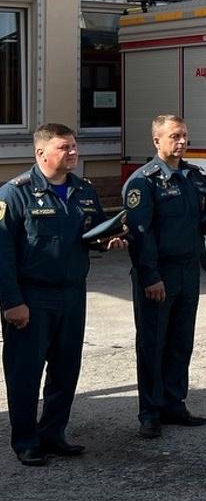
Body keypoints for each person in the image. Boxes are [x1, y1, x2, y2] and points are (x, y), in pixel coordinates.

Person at [0, 124, 123, 466]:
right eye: (64, 147)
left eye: (74, 146)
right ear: (40, 153)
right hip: (32, 297)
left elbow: (95, 231)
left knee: (66, 369)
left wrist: (109, 240)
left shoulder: (84, 190)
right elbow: (2, 254)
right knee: (24, 373)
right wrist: (12, 302)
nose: (73, 152)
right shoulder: (14, 194)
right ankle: (25, 441)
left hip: (72, 294)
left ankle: (53, 433)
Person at [124, 114, 206, 439]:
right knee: (153, 343)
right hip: (159, 274)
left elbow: (201, 220)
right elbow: (141, 235)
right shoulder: (143, 181)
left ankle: (174, 403)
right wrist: (150, 276)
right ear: (157, 141)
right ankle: (150, 412)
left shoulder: (192, 177)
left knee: (181, 341)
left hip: (187, 271)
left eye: (184, 136)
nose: (181, 142)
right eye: (175, 136)